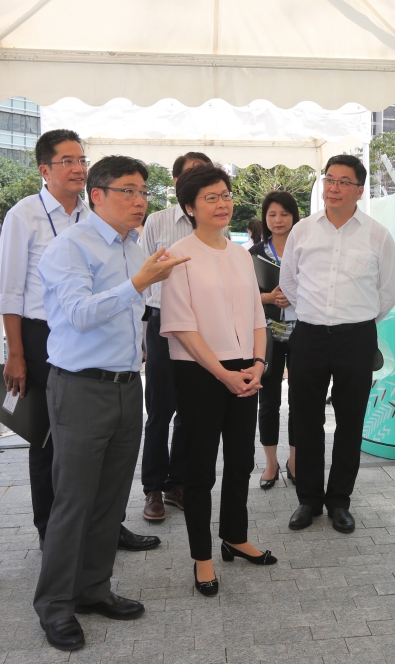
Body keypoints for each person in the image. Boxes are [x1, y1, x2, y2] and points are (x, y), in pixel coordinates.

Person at [33, 156, 187, 651]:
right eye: (128, 191)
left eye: (144, 191)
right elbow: (78, 314)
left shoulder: (130, 246)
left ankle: (93, 588)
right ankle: (55, 605)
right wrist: (138, 282)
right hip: (80, 387)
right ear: (96, 195)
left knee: (110, 499)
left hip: (126, 384)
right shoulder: (69, 248)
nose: (140, 200)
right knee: (73, 502)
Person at [0, 129, 157, 553]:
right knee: (48, 440)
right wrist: (15, 353)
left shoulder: (99, 215)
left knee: (103, 456)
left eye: (81, 159)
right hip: (39, 334)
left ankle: (106, 528)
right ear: (44, 170)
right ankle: (53, 532)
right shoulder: (24, 215)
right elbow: (10, 290)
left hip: (101, 341)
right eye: (66, 160)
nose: (77, 167)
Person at [161, 164, 277, 598]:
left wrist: (259, 365)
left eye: (226, 194)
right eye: (210, 197)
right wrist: (224, 374)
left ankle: (234, 535)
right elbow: (181, 327)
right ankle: (202, 557)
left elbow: (256, 317)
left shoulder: (241, 253)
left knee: (241, 461)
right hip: (200, 372)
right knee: (200, 469)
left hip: (246, 366)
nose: (223, 203)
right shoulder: (177, 255)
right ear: (189, 206)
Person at [280, 154, 395, 534]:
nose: (333, 187)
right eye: (329, 179)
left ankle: (340, 501)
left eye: (343, 182)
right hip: (310, 336)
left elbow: (388, 292)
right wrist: (317, 315)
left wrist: (355, 321)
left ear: (359, 190)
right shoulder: (302, 230)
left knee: (350, 423)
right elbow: (290, 283)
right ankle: (309, 500)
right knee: (306, 419)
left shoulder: (378, 234)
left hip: (356, 338)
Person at [139, 151, 225, 522]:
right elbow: (140, 280)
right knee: (159, 411)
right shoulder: (156, 223)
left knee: (191, 413)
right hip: (162, 326)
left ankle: (180, 483)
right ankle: (153, 488)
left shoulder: (216, 226)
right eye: (193, 176)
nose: (202, 183)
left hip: (204, 328)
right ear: (177, 184)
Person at [248, 191, 300, 489]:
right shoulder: (254, 253)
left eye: (284, 214)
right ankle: (270, 463)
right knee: (268, 402)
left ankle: (295, 460)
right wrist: (268, 296)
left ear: (294, 216)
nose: (278, 220)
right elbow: (241, 296)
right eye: (272, 215)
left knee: (300, 400)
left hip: (302, 333)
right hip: (266, 336)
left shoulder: (305, 247)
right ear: (265, 219)